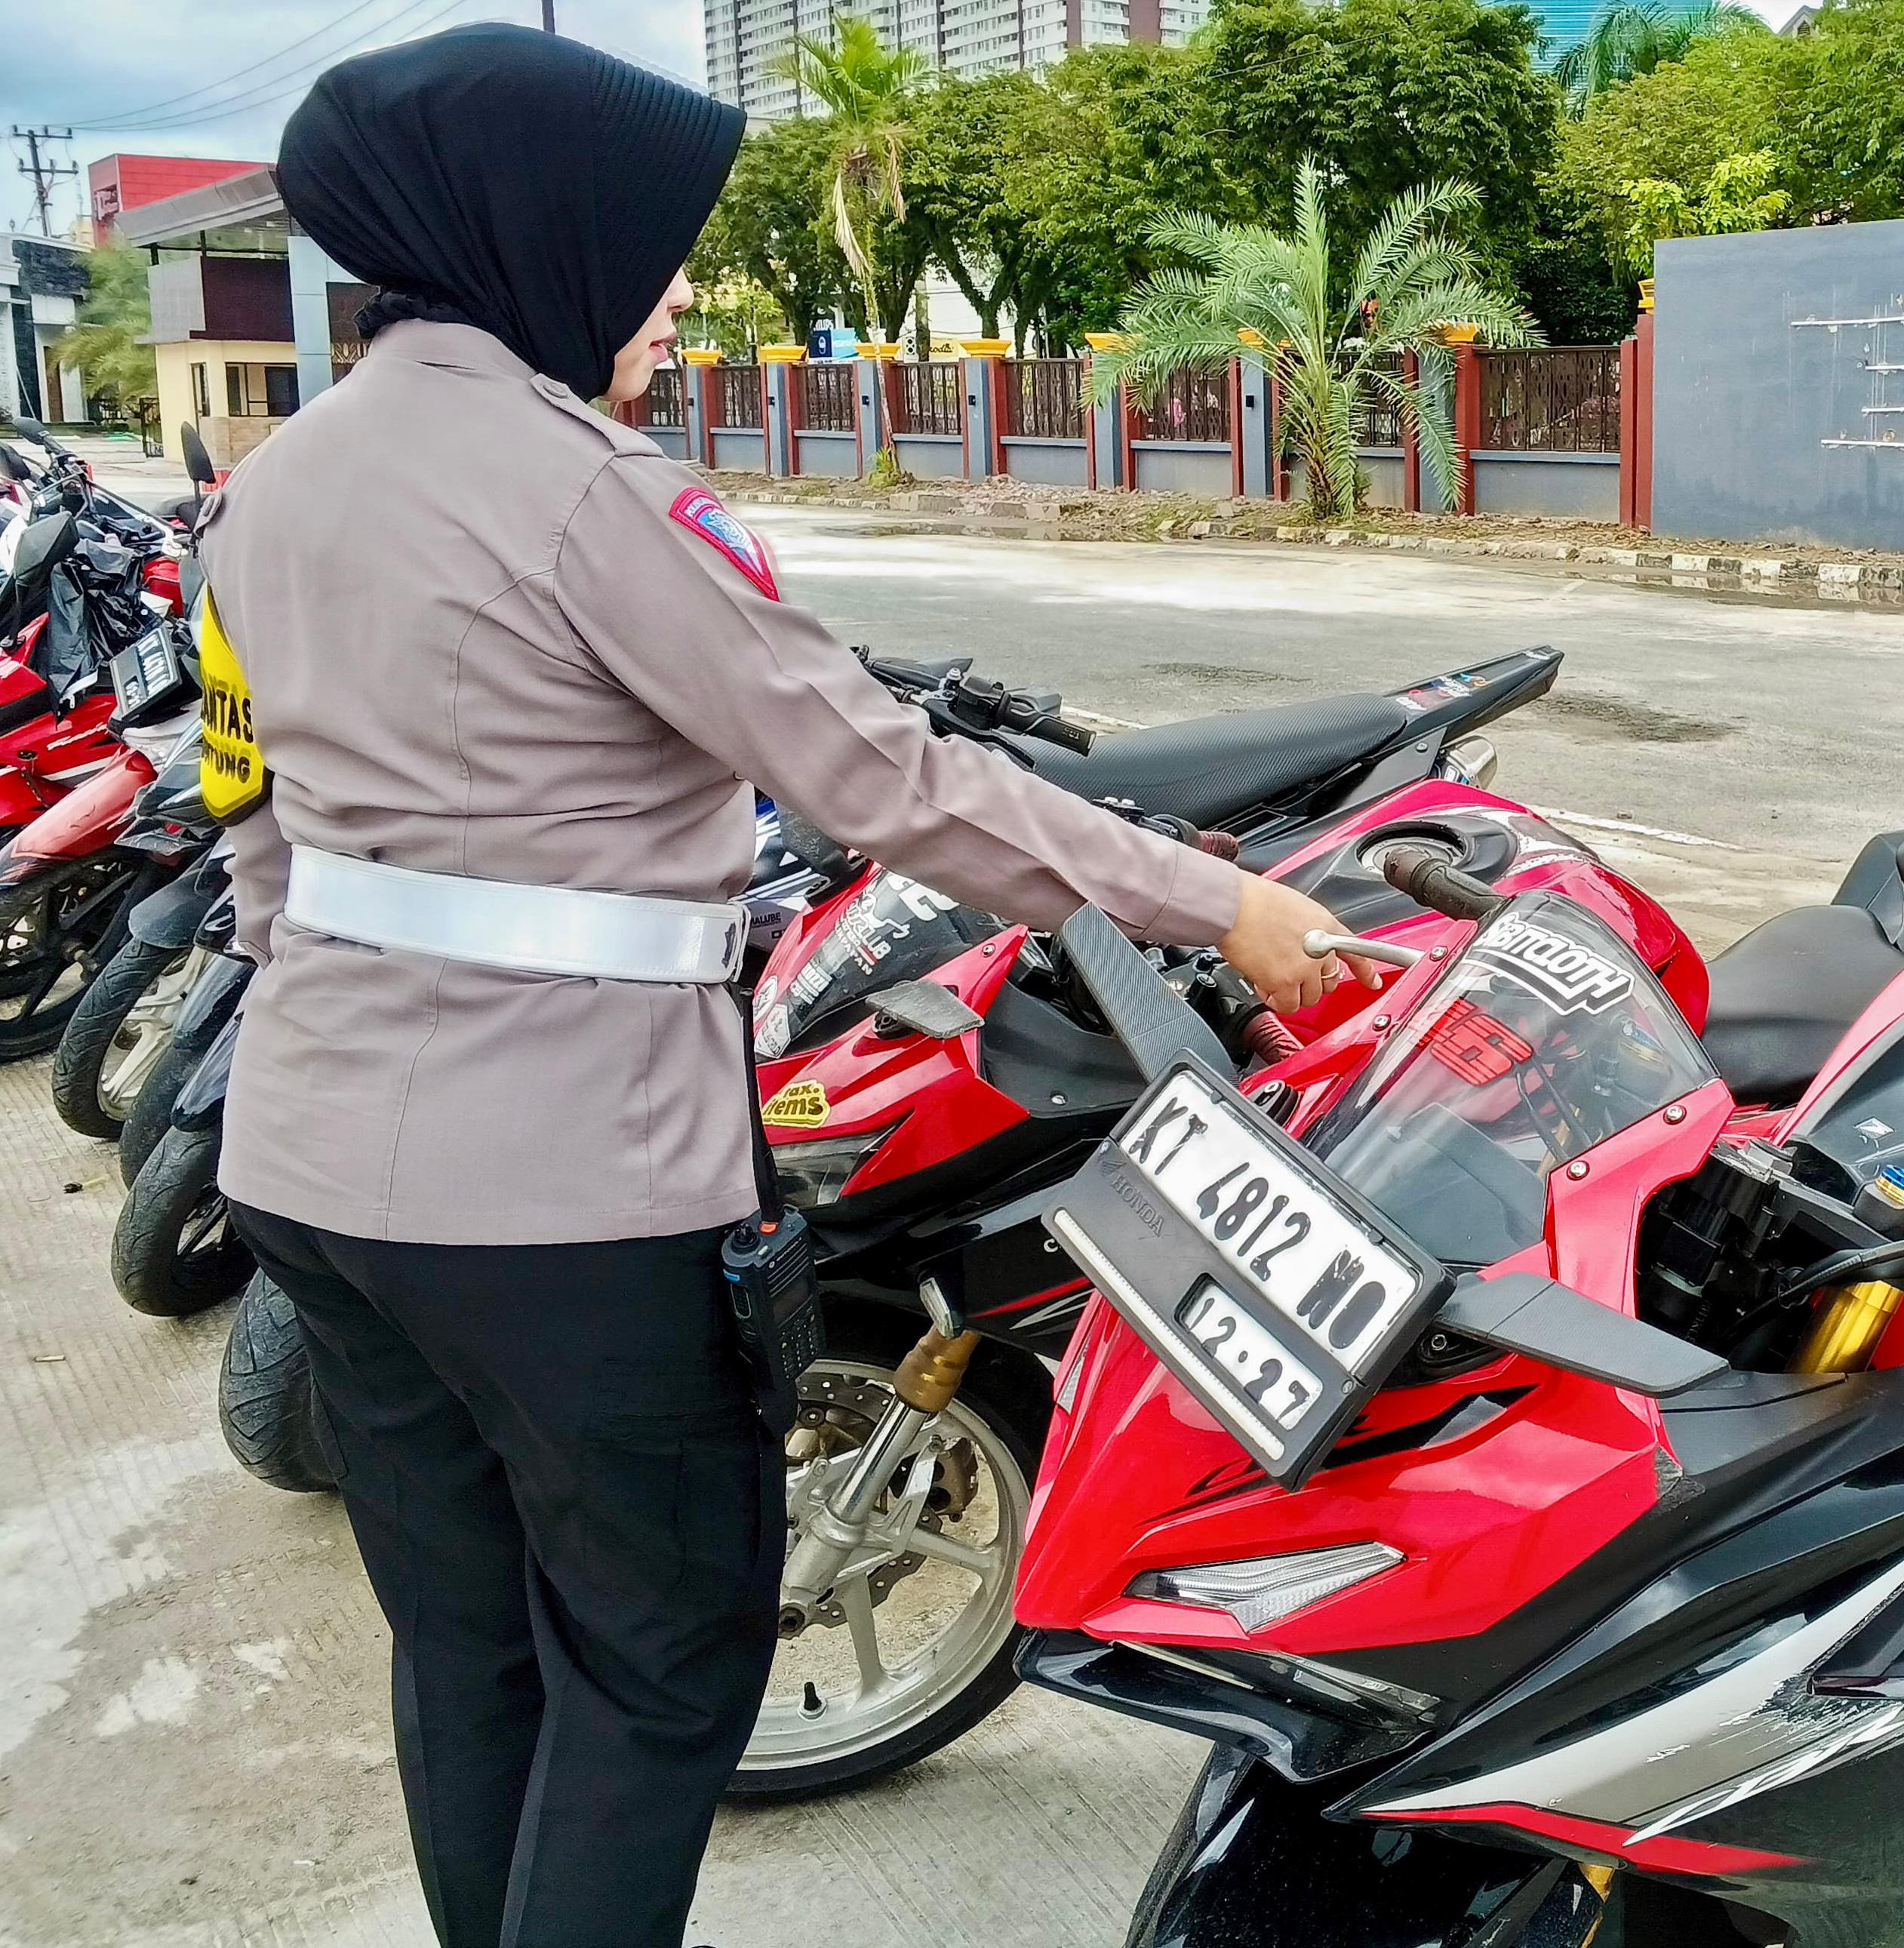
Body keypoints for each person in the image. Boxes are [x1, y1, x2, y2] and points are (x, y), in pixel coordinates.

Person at [198, 26, 1371, 1947]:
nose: (666, 298)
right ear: (535, 234)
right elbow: (883, 777)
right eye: (644, 246)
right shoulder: (586, 490)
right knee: (659, 1673)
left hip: (311, 1165)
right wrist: (1217, 901)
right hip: (567, 1194)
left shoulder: (269, 486)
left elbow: (257, 827)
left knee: (468, 1641)